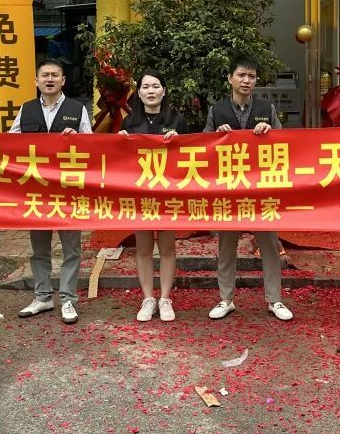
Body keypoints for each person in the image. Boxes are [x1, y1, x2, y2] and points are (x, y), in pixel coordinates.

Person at [203, 56, 293, 322]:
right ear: (230, 78)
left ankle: (274, 300)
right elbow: (203, 147)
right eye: (241, 75)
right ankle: (226, 299)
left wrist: (271, 131)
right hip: (229, 188)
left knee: (269, 245)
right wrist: (216, 136)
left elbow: (284, 143)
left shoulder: (267, 108)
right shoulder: (217, 110)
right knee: (226, 245)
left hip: (261, 188)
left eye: (251, 76)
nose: (246, 81)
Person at [10, 58, 92, 325]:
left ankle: (68, 299)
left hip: (68, 191)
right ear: (36, 81)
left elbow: (93, 148)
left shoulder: (77, 109)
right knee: (39, 248)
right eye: (44, 75)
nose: (49, 79)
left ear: (63, 80)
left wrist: (77, 140)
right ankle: (43, 296)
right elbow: (10, 144)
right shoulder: (27, 109)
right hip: (37, 191)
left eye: (54, 75)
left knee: (71, 249)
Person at [118, 70, 187, 322]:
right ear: (138, 93)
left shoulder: (177, 120)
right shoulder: (129, 123)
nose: (150, 91)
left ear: (164, 91)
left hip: (168, 194)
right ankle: (148, 298)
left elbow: (191, 157)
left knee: (167, 248)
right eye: (145, 87)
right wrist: (119, 142)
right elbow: (119, 161)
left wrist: (179, 141)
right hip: (140, 194)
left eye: (156, 86)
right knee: (144, 248)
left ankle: (165, 298)